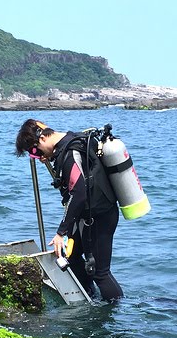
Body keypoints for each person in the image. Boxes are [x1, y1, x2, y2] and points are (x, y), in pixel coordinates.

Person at [15, 118, 123, 302]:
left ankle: (117, 311)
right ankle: (89, 296)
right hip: (87, 216)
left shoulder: (70, 153)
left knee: (101, 273)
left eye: (34, 152)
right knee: (69, 257)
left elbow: (79, 192)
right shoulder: (66, 145)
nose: (37, 157)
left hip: (101, 217)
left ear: (41, 140)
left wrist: (60, 233)